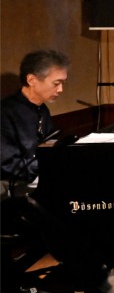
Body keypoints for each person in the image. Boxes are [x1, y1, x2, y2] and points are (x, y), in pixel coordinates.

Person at [1, 50, 70, 191]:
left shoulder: (42, 110)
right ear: (31, 80)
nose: (61, 89)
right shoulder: (5, 112)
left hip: (37, 176)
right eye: (56, 83)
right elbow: (7, 163)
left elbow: (48, 145)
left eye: (63, 83)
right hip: (12, 182)